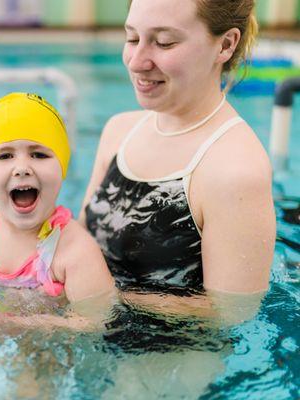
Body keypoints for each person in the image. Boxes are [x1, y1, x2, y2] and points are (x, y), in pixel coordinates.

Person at [79, 0, 275, 303]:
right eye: (132, 38)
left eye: (164, 42)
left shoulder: (235, 170)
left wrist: (94, 300)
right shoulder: (118, 132)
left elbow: (231, 313)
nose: (136, 61)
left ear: (225, 44)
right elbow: (79, 243)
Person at [0, 92, 115, 304]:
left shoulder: (75, 252)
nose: (22, 168)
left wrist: (18, 322)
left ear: (62, 169)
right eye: (4, 156)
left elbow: (94, 323)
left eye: (39, 155)